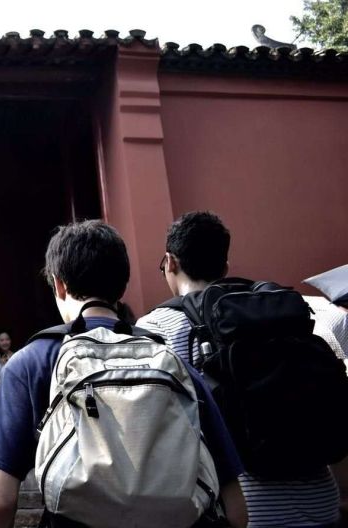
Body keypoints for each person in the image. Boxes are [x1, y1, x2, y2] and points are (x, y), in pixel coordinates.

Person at [0, 220, 247, 528]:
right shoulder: (172, 364)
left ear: (59, 284)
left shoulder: (30, 363)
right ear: (123, 285)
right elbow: (236, 510)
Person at [139, 211, 347, 527]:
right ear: (224, 266)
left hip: (242, 512)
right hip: (321, 504)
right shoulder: (283, 310)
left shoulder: (158, 327)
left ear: (170, 262)